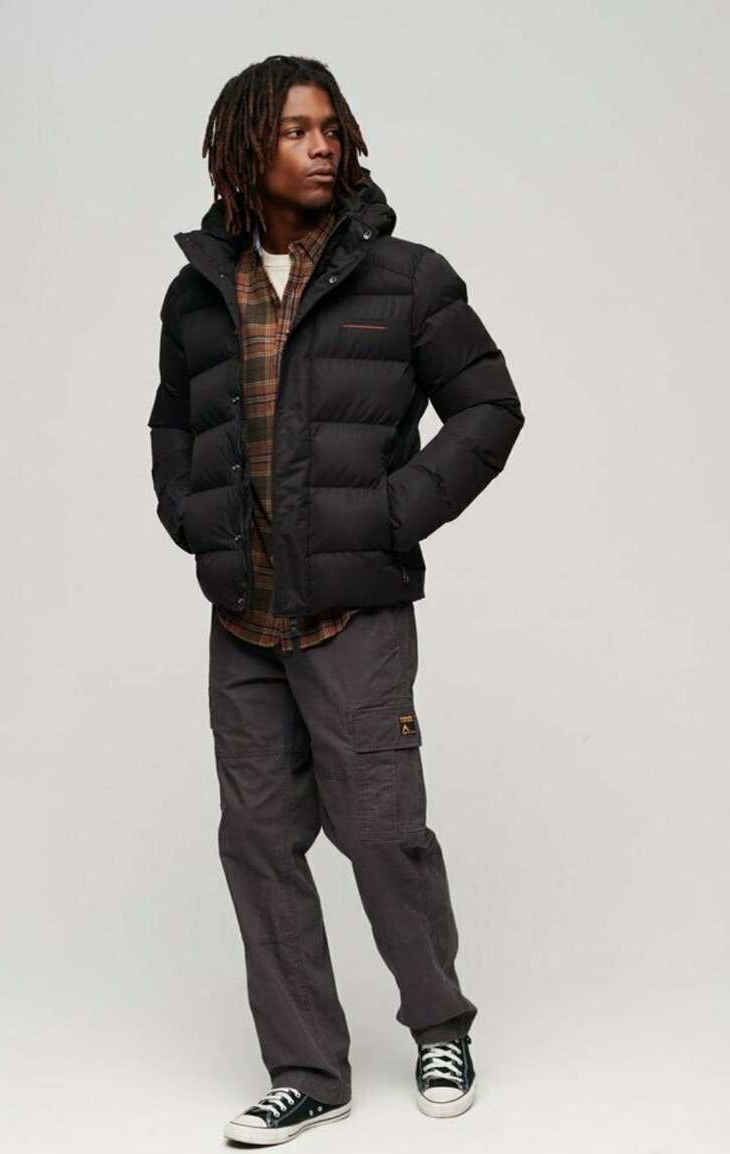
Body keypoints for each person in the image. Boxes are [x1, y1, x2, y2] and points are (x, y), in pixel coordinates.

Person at [147, 53, 525, 1145]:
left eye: (331, 128)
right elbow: (172, 423)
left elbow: (489, 406)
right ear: (243, 149)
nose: (322, 147)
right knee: (258, 843)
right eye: (296, 130)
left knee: (381, 829)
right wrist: (192, 519)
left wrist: (392, 514)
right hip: (243, 619)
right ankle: (309, 1069)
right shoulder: (198, 292)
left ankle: (439, 1024)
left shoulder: (406, 278)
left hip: (352, 613)